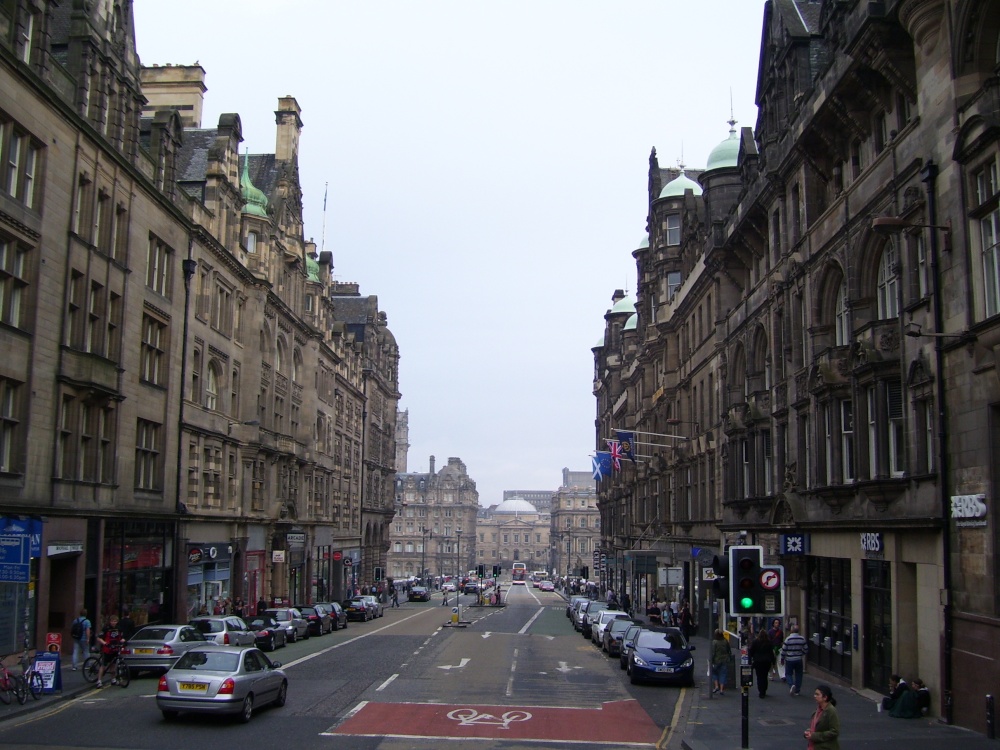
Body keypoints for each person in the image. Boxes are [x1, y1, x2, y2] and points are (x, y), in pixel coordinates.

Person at [804, 684, 840, 749]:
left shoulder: (831, 711)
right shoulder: (817, 710)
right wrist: (808, 732)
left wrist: (814, 736)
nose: (814, 696)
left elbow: (834, 731)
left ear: (825, 697)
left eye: (817, 694)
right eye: (815, 694)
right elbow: (816, 727)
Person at [95, 614, 125, 688]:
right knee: (103, 666)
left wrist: (123, 641)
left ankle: (113, 679)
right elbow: (99, 638)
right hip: (107, 649)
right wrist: (105, 643)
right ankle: (99, 681)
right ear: (110, 621)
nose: (113, 623)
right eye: (112, 621)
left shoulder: (119, 628)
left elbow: (121, 637)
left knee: (113, 665)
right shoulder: (106, 628)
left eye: (115, 621)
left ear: (117, 622)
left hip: (115, 649)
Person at [780, 623, 808, 696]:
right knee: (799, 674)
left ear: (791, 631)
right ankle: (797, 690)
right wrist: (801, 654)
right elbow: (806, 649)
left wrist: (782, 658)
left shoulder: (788, 639)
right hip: (798, 659)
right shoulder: (802, 639)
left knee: (788, 673)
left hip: (789, 659)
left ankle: (791, 684)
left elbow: (783, 650)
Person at [749, 629, 775, 698]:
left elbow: (751, 651)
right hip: (767, 662)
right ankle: (764, 690)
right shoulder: (769, 642)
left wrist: (750, 660)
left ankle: (761, 691)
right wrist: (773, 662)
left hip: (758, 661)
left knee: (759, 676)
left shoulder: (755, 642)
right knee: (764, 676)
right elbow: (771, 653)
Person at [710, 630, 732, 696]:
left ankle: (716, 686)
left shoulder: (714, 642)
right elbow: (729, 650)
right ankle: (721, 690)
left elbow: (713, 652)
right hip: (724, 660)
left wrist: (711, 660)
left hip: (716, 660)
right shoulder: (725, 641)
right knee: (723, 674)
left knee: (714, 672)